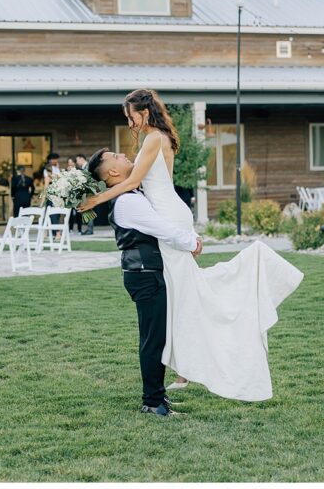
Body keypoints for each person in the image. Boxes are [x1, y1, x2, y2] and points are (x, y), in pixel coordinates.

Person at [81, 89, 304, 402]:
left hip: (167, 217)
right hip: (170, 210)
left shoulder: (152, 139)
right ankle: (184, 365)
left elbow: (130, 184)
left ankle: (189, 361)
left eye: (130, 115)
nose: (129, 121)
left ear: (143, 111)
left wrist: (94, 199)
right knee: (184, 291)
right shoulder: (161, 137)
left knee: (187, 294)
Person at [87, 147, 203, 416]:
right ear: (113, 172)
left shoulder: (131, 194)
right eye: (117, 156)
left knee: (156, 337)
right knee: (153, 339)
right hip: (144, 274)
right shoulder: (127, 202)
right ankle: (152, 402)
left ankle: (157, 396)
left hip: (145, 271)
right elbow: (160, 227)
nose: (125, 156)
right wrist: (191, 242)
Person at [75, 153, 95, 235]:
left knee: (88, 209)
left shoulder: (88, 166)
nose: (77, 162)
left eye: (77, 160)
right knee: (87, 209)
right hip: (85, 192)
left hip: (88, 192)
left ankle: (90, 229)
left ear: (81, 158)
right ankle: (89, 228)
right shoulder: (83, 167)